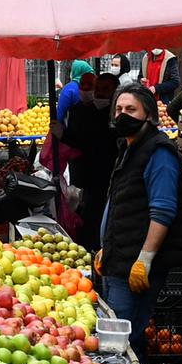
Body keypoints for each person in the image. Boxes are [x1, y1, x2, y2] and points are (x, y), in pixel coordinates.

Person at [93, 85, 182, 360]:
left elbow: (163, 211)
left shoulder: (159, 153)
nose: (122, 115)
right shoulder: (129, 148)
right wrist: (108, 246)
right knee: (118, 337)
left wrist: (144, 259)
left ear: (150, 116)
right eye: (118, 110)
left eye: (131, 110)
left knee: (123, 343)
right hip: (120, 261)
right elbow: (124, 205)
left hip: (135, 267)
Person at [63, 72, 118, 252]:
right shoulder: (82, 110)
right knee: (91, 215)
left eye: (105, 89)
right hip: (89, 176)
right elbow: (79, 140)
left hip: (111, 174)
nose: (99, 93)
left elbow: (94, 140)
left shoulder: (117, 116)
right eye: (98, 89)